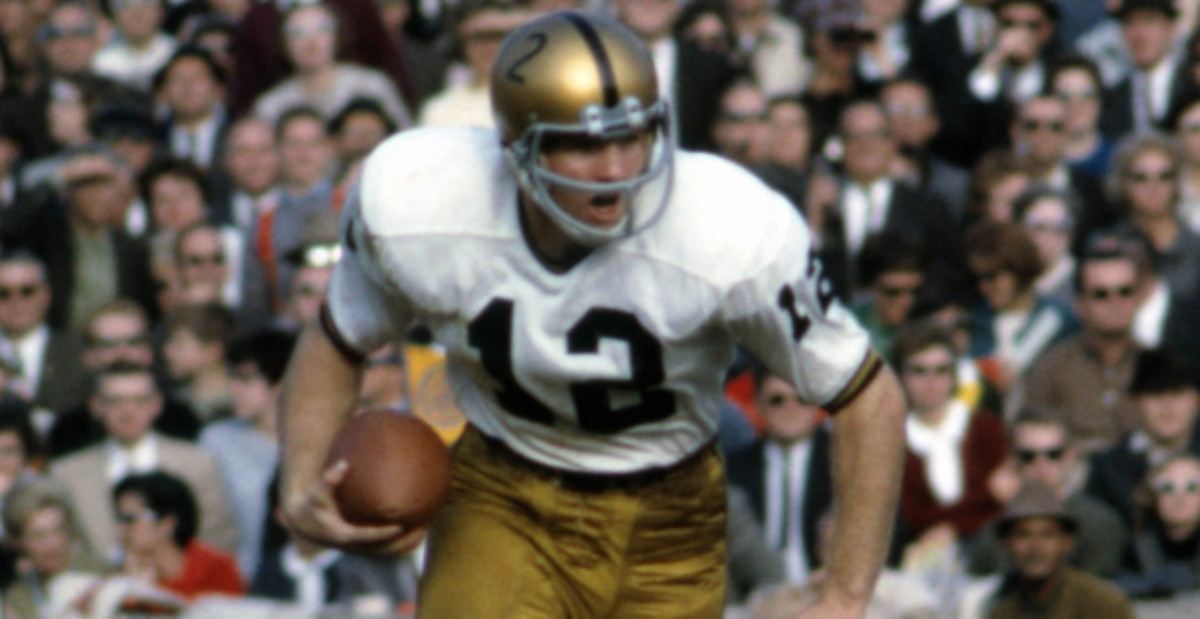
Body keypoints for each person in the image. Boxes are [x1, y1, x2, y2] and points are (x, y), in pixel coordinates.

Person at [278, 10, 905, 618]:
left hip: (672, 515)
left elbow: (866, 393)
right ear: (515, 147)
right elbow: (338, 337)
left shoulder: (729, 226)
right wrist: (302, 477)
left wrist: (846, 598)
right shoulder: (420, 200)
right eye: (579, 145)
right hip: (503, 493)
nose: (614, 170)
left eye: (630, 136)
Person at [968, 409, 1128, 577]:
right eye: (1028, 456)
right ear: (1013, 460)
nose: (1041, 466)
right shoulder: (996, 531)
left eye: (1053, 454)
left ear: (1069, 457)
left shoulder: (1100, 523)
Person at [982, 480, 1135, 618]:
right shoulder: (1002, 613)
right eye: (1023, 535)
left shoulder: (1104, 605)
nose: (1035, 546)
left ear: (1066, 542)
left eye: (1047, 535)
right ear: (1007, 544)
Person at [111, 471, 244, 599]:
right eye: (119, 520)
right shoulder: (120, 576)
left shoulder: (217, 570)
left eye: (130, 520)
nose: (120, 529)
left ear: (167, 524)